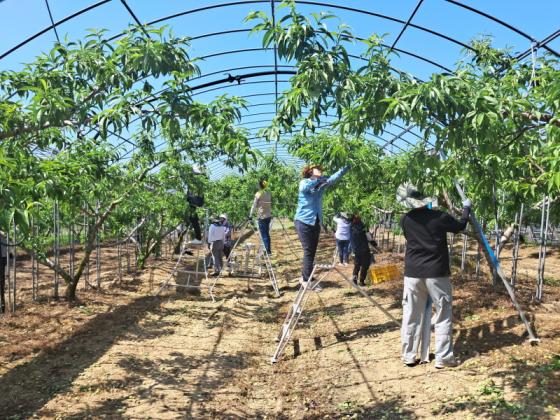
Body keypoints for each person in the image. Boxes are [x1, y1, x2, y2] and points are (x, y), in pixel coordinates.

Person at [397, 183, 471, 369]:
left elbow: (409, 238)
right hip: (436, 273)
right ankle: (443, 358)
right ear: (424, 200)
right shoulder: (440, 217)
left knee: (411, 314)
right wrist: (466, 208)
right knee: (443, 314)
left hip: (413, 273)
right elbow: (460, 226)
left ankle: (408, 355)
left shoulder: (405, 219)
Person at [294, 164, 350, 291]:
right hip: (303, 221)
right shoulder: (305, 182)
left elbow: (332, 178)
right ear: (310, 172)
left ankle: (306, 276)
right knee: (308, 250)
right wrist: (318, 180)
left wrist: (345, 167)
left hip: (315, 221)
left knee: (312, 251)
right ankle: (306, 280)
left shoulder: (321, 182)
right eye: (317, 169)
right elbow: (304, 189)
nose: (320, 170)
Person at [349, 214, 376, 286]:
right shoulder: (363, 226)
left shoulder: (350, 226)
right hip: (363, 249)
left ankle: (356, 281)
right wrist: (374, 244)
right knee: (365, 265)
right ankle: (361, 281)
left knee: (357, 265)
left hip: (356, 249)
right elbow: (368, 237)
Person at [249, 179, 272, 254]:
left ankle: (266, 250)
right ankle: (268, 249)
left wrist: (250, 215)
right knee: (267, 233)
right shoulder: (268, 193)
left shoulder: (258, 194)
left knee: (263, 234)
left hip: (262, 216)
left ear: (260, 186)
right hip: (268, 216)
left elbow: (254, 205)